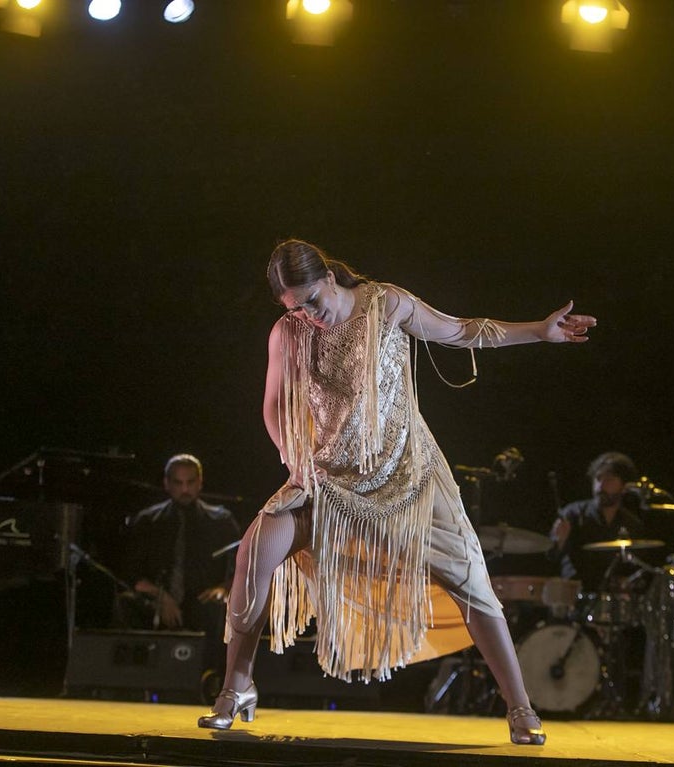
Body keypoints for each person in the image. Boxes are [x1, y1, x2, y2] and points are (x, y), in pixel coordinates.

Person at [197, 239, 596, 746]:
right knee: (254, 551)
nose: (308, 315)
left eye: (311, 301)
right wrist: (295, 459)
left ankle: (519, 705)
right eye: (294, 307)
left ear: (328, 280)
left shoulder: (385, 304)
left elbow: (463, 331)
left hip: (407, 475)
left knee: (472, 583)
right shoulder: (289, 331)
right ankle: (237, 688)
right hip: (328, 480)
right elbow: (274, 406)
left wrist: (539, 332)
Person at [120, 454, 240, 687]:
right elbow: (130, 573)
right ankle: (133, 681)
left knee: (220, 608)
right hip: (157, 598)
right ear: (167, 483)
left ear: (200, 482)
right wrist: (160, 596)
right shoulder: (148, 520)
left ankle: (213, 681)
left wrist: (224, 587)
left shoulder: (221, 520)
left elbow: (243, 567)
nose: (185, 489)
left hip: (201, 598)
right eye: (178, 482)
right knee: (126, 603)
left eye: (190, 482)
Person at [547, 451, 648, 592]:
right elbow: (550, 557)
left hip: (614, 598)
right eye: (598, 478)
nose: (600, 486)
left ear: (624, 486)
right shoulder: (573, 513)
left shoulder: (632, 524)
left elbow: (635, 569)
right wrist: (558, 542)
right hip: (577, 597)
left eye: (609, 479)